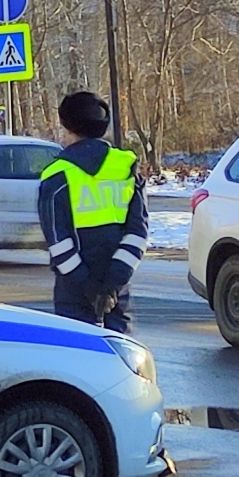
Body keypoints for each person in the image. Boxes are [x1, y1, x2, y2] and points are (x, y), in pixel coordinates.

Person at [38, 91, 147, 334]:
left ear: (66, 126)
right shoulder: (125, 168)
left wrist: (90, 288)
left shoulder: (57, 176)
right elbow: (138, 234)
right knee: (122, 358)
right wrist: (112, 285)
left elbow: (59, 243)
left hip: (74, 290)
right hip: (117, 288)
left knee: (77, 362)